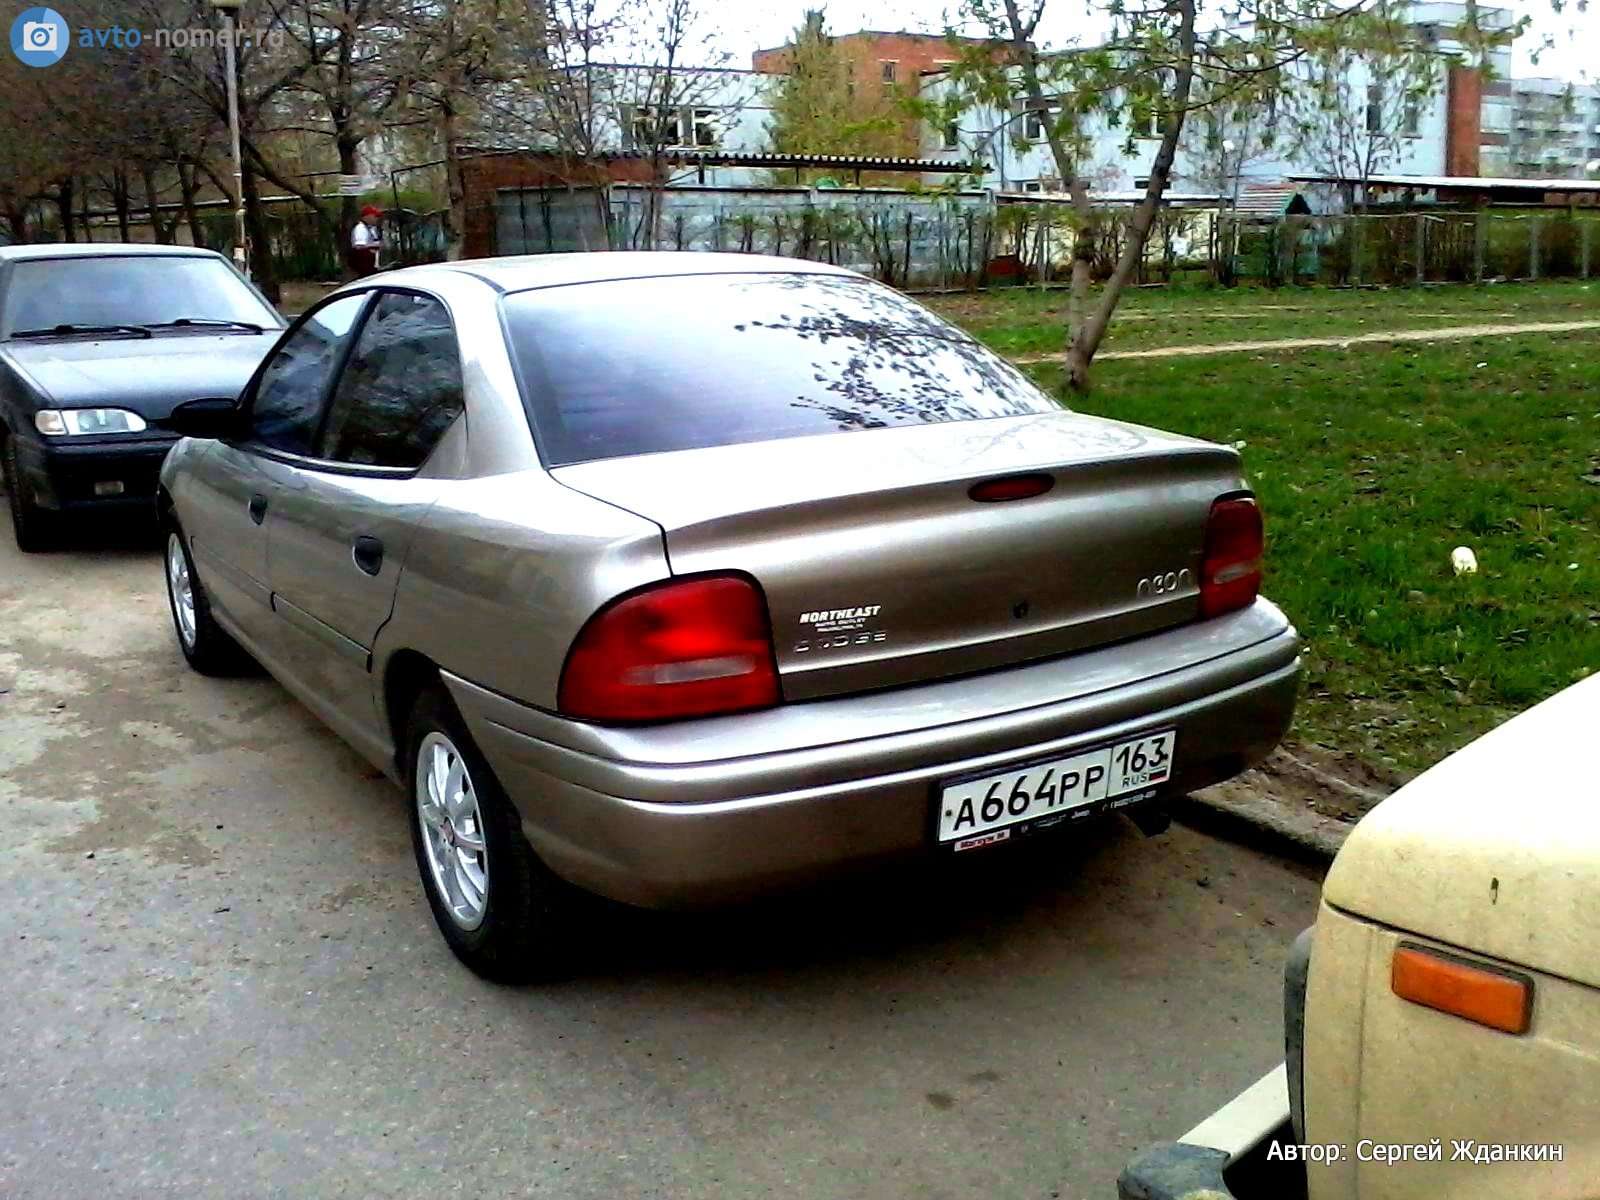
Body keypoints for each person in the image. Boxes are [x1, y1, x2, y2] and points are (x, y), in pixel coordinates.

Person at [350, 206, 382, 276]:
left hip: (372, 265)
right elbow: (359, 246)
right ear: (368, 216)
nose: (377, 218)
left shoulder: (371, 228)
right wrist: (374, 246)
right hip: (364, 266)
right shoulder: (360, 228)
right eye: (375, 216)